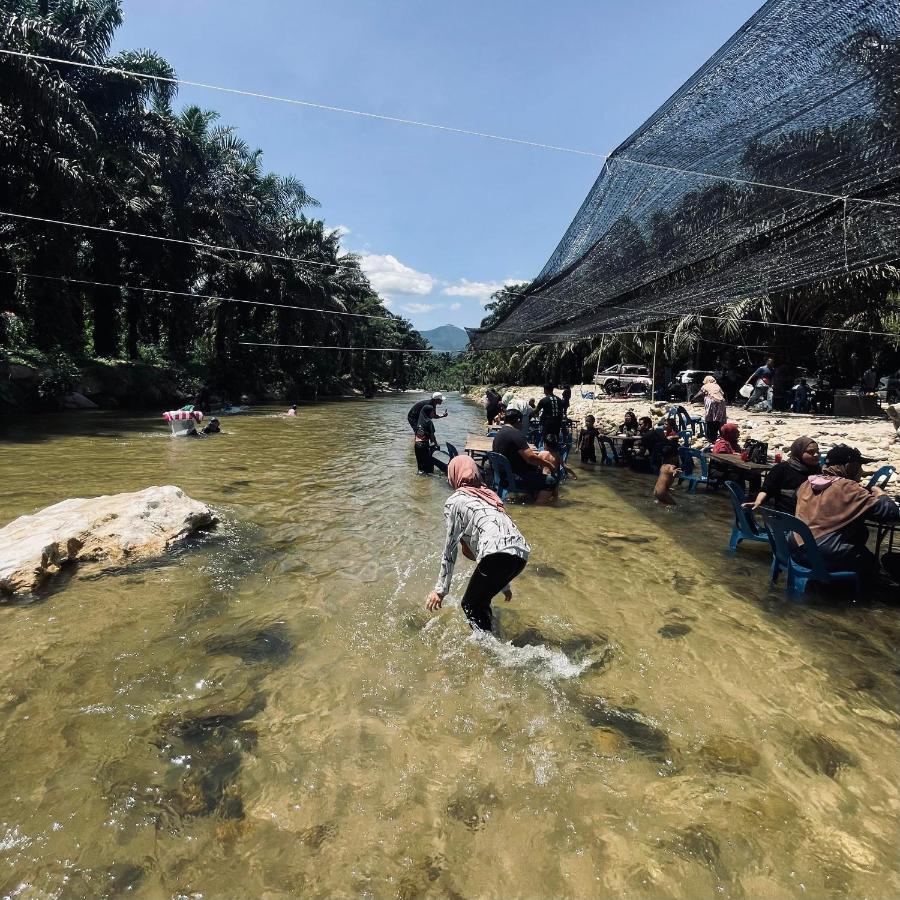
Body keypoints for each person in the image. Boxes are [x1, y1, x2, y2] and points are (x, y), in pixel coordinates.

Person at [426, 455, 531, 632]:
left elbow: (450, 548)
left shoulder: (455, 501)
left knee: (470, 605)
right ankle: (493, 638)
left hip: (497, 555)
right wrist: (504, 585)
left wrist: (440, 590)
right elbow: (497, 542)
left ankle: (489, 652)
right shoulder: (489, 497)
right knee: (480, 602)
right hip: (521, 556)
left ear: (454, 475)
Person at [793, 444, 899, 578]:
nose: (861, 471)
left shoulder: (807, 483)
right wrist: (881, 493)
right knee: (872, 564)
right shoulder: (849, 488)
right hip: (824, 556)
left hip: (795, 551)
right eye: (859, 466)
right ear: (850, 466)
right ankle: (856, 597)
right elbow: (891, 513)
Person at [745, 436, 820, 513]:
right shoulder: (782, 469)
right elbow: (767, 489)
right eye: (811, 452)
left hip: (811, 514)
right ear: (799, 452)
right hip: (787, 515)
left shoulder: (818, 470)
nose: (816, 455)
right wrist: (758, 501)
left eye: (817, 451)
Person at [491, 408, 549, 498]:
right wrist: (548, 464)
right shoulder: (516, 435)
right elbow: (531, 458)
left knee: (538, 474)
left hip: (503, 478)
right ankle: (538, 507)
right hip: (516, 478)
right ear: (518, 420)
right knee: (551, 481)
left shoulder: (498, 434)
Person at [536, 433, 577, 500]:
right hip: (554, 480)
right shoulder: (557, 455)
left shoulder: (541, 453)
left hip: (544, 479)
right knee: (555, 499)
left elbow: (537, 467)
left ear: (545, 444)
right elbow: (565, 466)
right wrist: (574, 474)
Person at [691, 375, 727, 443]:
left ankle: (711, 438)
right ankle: (722, 436)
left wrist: (693, 400)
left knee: (710, 419)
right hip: (721, 402)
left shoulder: (706, 386)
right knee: (719, 419)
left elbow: (700, 394)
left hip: (712, 401)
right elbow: (722, 394)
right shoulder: (717, 386)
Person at [413, 405, 439, 475]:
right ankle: (427, 483)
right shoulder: (429, 422)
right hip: (424, 445)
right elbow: (432, 436)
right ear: (428, 412)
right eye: (432, 412)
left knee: (420, 467)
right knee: (429, 467)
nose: (433, 414)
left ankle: (420, 482)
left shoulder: (419, 421)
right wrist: (436, 445)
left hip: (417, 445)